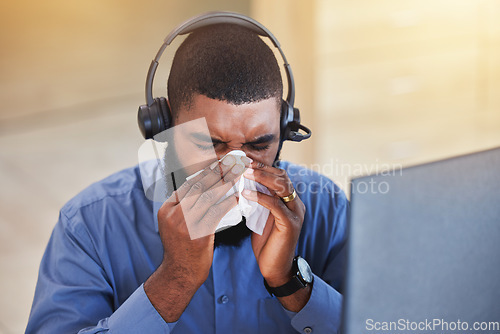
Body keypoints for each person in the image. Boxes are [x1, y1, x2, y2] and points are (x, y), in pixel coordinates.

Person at [26, 12, 348, 334]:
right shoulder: (89, 226)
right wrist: (175, 281)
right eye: (209, 143)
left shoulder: (327, 207)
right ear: (164, 127)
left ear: (284, 128)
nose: (235, 170)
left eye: (258, 145)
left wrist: (291, 283)